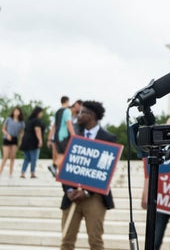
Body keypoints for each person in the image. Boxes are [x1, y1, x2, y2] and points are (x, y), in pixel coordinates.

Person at [60, 100, 116, 250]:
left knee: (95, 241)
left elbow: (106, 171)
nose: (77, 115)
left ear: (91, 115)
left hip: (95, 197)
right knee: (66, 241)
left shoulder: (108, 138)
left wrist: (86, 192)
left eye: (81, 112)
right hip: (71, 197)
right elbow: (65, 167)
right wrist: (69, 190)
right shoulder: (73, 136)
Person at [141, 115, 170, 250]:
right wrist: (145, 194)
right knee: (154, 240)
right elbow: (149, 171)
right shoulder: (159, 145)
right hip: (161, 199)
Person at [20, 106, 45, 179]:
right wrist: (40, 140)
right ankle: (32, 173)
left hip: (26, 141)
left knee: (27, 158)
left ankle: (23, 172)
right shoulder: (37, 121)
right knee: (34, 158)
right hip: (33, 142)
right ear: (39, 113)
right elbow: (37, 130)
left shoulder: (29, 121)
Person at [0, 106, 25, 178]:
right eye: (15, 111)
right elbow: (3, 129)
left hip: (15, 139)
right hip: (7, 138)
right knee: (5, 156)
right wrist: (7, 134)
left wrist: (21, 141)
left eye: (18, 111)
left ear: (20, 112)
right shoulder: (8, 119)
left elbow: (21, 133)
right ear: (13, 112)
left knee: (13, 157)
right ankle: (0, 172)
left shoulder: (21, 122)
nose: (16, 112)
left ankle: (10, 173)